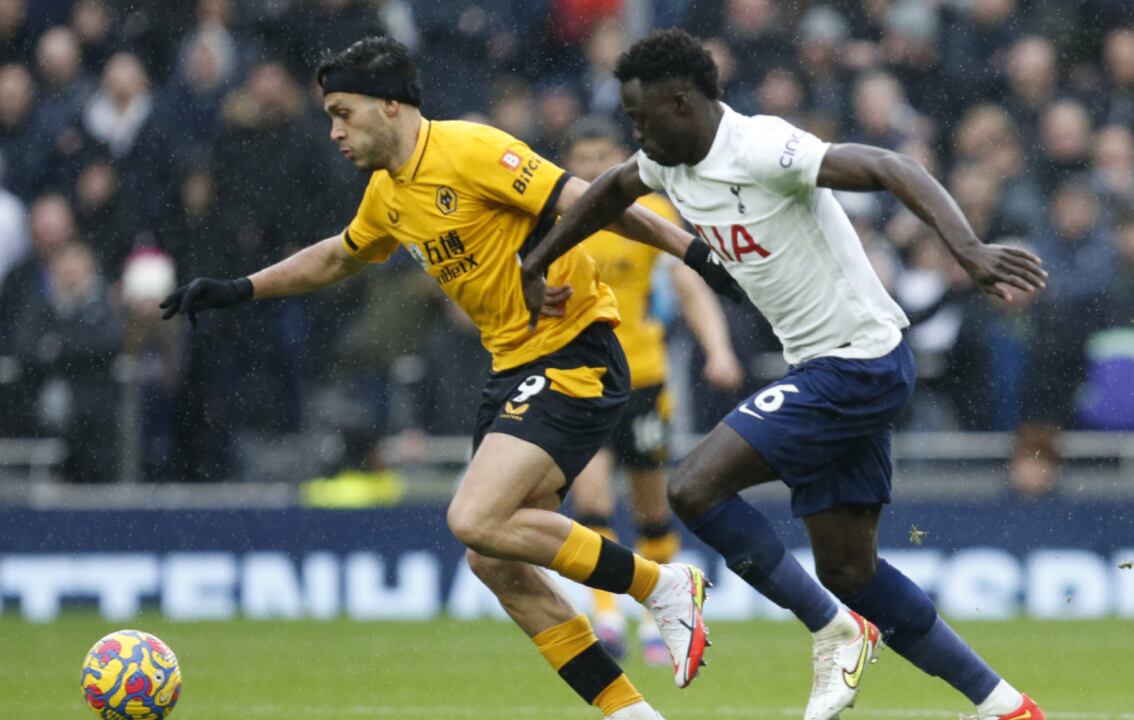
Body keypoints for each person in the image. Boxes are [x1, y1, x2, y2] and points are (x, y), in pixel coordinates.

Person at [159, 36, 744, 720]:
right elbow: (334, 258)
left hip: (573, 350)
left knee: (473, 517)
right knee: (491, 558)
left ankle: (663, 585)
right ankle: (629, 712)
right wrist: (238, 288)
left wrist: (695, 252)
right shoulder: (387, 194)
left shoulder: (468, 150)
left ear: (391, 107)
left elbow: (595, 200)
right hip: (514, 368)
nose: (335, 131)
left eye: (344, 113)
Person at [521, 29, 1049, 720]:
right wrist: (537, 260)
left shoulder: (761, 147)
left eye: (642, 117)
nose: (635, 132)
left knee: (692, 486)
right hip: (832, 367)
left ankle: (834, 629)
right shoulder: (666, 163)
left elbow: (891, 166)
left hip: (857, 363)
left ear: (682, 103)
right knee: (851, 569)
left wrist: (969, 248)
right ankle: (1006, 706)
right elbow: (608, 193)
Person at [562, 115, 744, 664]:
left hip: (642, 379)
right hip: (580, 380)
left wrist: (719, 350)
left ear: (620, 159)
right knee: (591, 499)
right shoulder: (558, 216)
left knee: (650, 507)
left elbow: (689, 286)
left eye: (601, 156)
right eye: (583, 158)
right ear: (569, 165)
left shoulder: (651, 214)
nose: (592, 167)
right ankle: (607, 617)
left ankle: (656, 618)